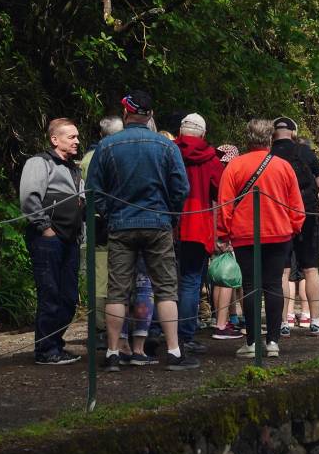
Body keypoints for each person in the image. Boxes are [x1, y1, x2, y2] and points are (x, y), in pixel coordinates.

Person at [86, 89, 191, 372]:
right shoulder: (167, 146)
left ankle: (112, 353)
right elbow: (181, 188)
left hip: (121, 225)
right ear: (150, 115)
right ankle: (174, 352)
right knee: (165, 289)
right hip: (158, 223)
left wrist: (110, 214)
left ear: (125, 114)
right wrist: (170, 215)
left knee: (117, 291)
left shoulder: (107, 146)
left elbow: (93, 189)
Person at [216, 119, 305, 357]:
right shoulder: (283, 166)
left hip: (245, 234)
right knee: (274, 284)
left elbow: (225, 203)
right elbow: (296, 203)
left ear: (248, 138)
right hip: (278, 232)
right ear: (270, 139)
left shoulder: (234, 166)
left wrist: (223, 232)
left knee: (250, 286)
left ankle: (253, 342)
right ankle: (273, 341)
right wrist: (294, 226)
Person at [19, 118, 84, 366]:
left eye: (77, 136)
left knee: (68, 297)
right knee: (50, 293)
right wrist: (45, 229)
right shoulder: (39, 163)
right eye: (71, 137)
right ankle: (45, 350)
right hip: (48, 239)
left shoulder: (74, 168)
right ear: (55, 139)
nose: (77, 141)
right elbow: (29, 198)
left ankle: (55, 344)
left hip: (70, 239)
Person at [271, 117, 319, 336]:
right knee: (310, 269)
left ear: (273, 133)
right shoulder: (305, 151)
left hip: (279, 214)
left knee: (283, 271)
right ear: (293, 132)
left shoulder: (268, 153)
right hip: (306, 213)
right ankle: (315, 321)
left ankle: (282, 323)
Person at [174, 113, 225, 352]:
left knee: (161, 282)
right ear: (203, 134)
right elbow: (219, 190)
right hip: (197, 226)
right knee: (191, 281)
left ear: (180, 131)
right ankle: (185, 335)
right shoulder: (210, 158)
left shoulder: (170, 151)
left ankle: (157, 330)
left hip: (169, 223)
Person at [80, 116, 123, 327]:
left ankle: (101, 324)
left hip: (99, 221)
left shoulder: (88, 157)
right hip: (108, 222)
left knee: (101, 276)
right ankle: (103, 325)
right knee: (108, 277)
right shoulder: (115, 155)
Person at [209, 144, 245, 340]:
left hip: (212, 230)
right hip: (225, 231)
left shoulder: (214, 176)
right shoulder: (231, 178)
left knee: (219, 276)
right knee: (228, 278)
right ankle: (222, 325)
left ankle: (221, 320)